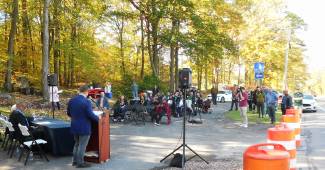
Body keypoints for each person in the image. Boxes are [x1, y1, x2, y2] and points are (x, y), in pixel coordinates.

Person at [67, 85, 100, 168]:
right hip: (84, 127)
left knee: (77, 144)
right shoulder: (86, 101)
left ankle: (74, 161)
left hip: (74, 125)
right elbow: (90, 115)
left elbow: (68, 113)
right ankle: (80, 163)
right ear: (86, 92)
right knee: (82, 145)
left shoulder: (72, 100)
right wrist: (99, 119)